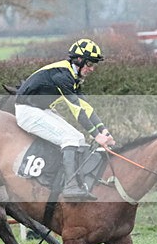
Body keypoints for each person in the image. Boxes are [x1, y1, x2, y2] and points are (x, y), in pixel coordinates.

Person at [15, 38, 116, 200]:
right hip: (27, 111)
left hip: (40, 109)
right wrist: (97, 136)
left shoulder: (72, 76)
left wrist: (103, 130)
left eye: (94, 65)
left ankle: (74, 181)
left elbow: (86, 107)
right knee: (69, 138)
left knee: (78, 137)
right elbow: (76, 110)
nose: (92, 69)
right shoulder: (63, 76)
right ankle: (70, 186)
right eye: (90, 64)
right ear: (79, 60)